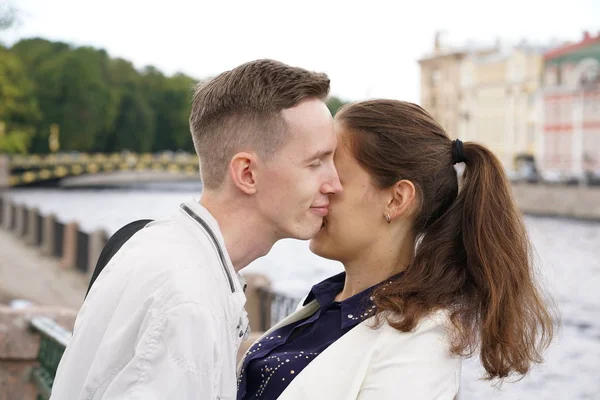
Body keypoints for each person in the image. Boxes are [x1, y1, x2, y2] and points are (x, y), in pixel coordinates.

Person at [50, 59, 342, 400]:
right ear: (247, 173)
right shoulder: (187, 302)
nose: (334, 183)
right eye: (315, 163)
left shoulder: (160, 248)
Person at [237, 99, 555, 399]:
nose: (319, 188)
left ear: (396, 199)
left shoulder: (424, 342)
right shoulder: (330, 302)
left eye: (335, 176)